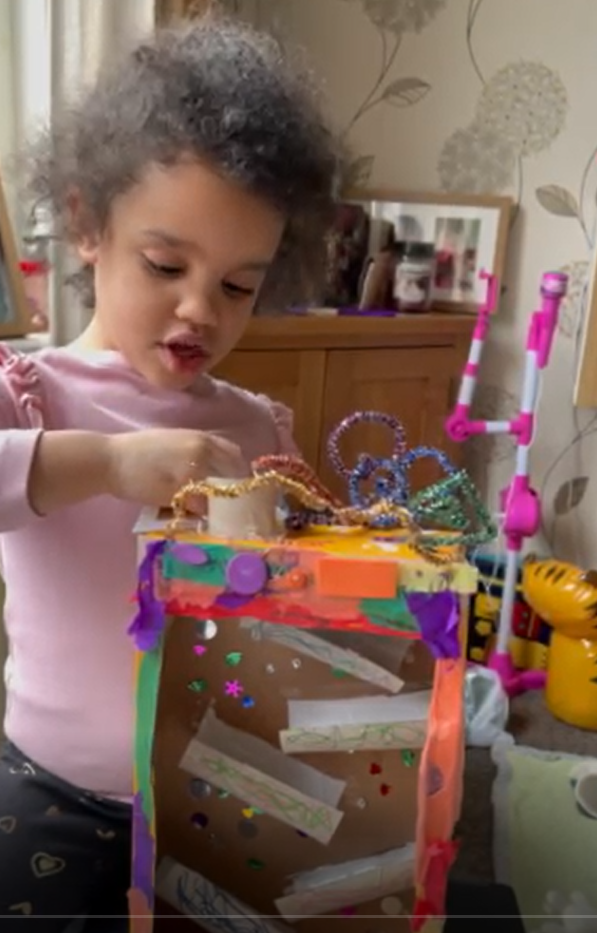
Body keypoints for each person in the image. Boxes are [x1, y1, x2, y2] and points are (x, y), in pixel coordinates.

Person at [0, 14, 337, 930]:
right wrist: (108, 461)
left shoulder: (257, 425)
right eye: (164, 265)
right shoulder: (32, 391)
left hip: (216, 787)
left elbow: (295, 606)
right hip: (53, 789)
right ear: (86, 225)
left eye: (237, 285)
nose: (199, 309)